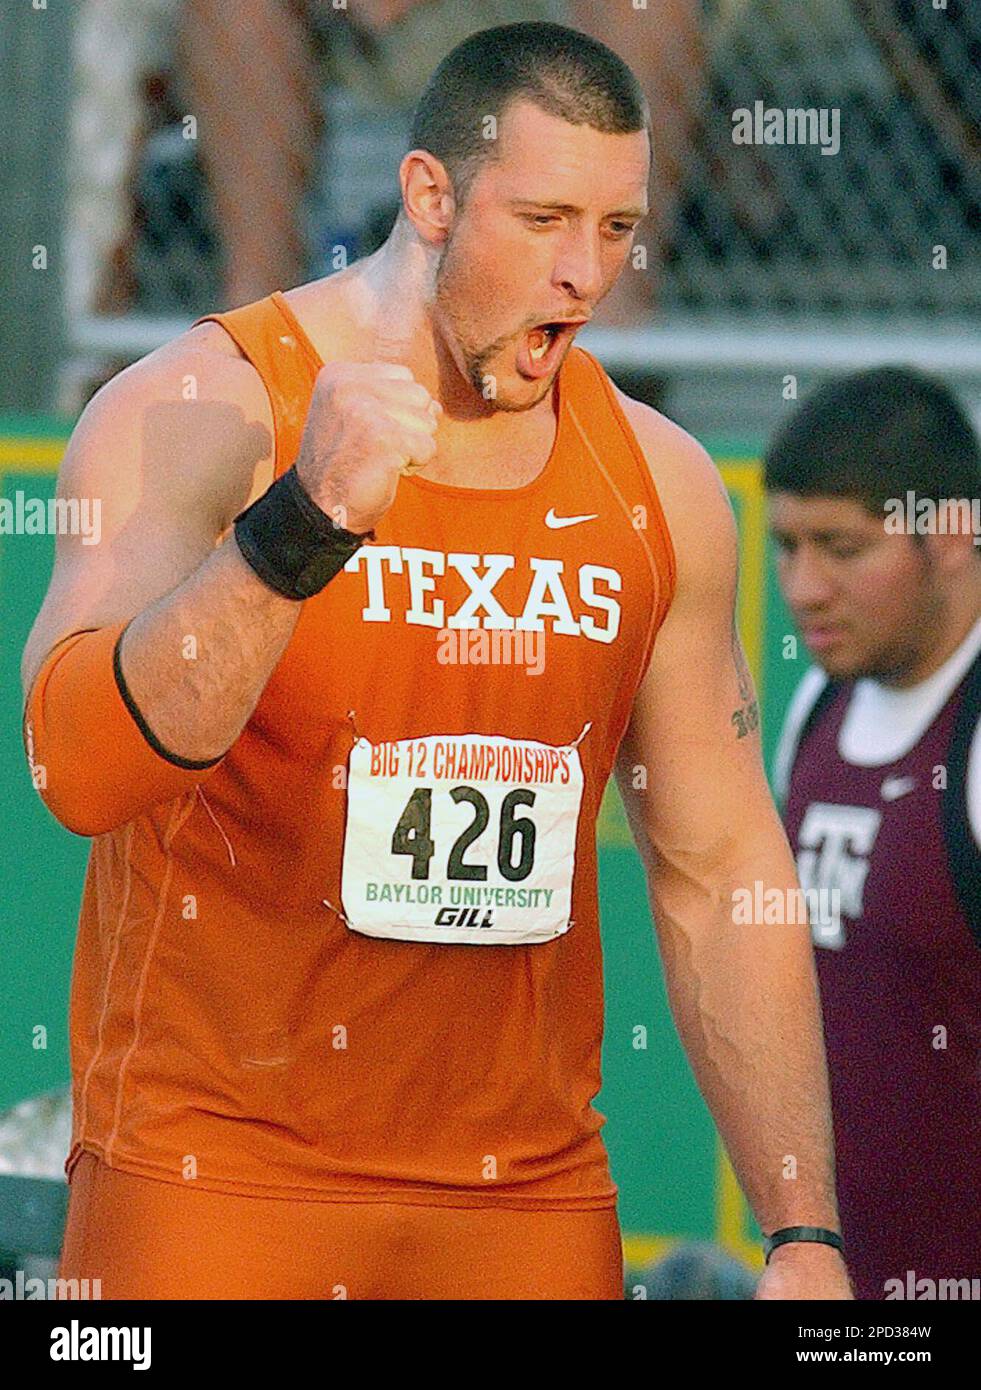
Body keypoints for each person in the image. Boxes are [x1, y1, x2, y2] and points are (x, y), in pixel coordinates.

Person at [24, 22, 849, 1300]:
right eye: (545, 220)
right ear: (429, 195)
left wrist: (803, 1229)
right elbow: (75, 768)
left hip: (521, 1196)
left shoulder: (660, 485)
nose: (586, 275)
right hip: (214, 1182)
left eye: (619, 231)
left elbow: (720, 867)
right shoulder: (202, 410)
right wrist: (298, 525)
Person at [767, 366, 981, 1301]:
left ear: (950, 535)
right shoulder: (813, 709)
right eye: (785, 546)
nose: (803, 588)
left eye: (842, 548)